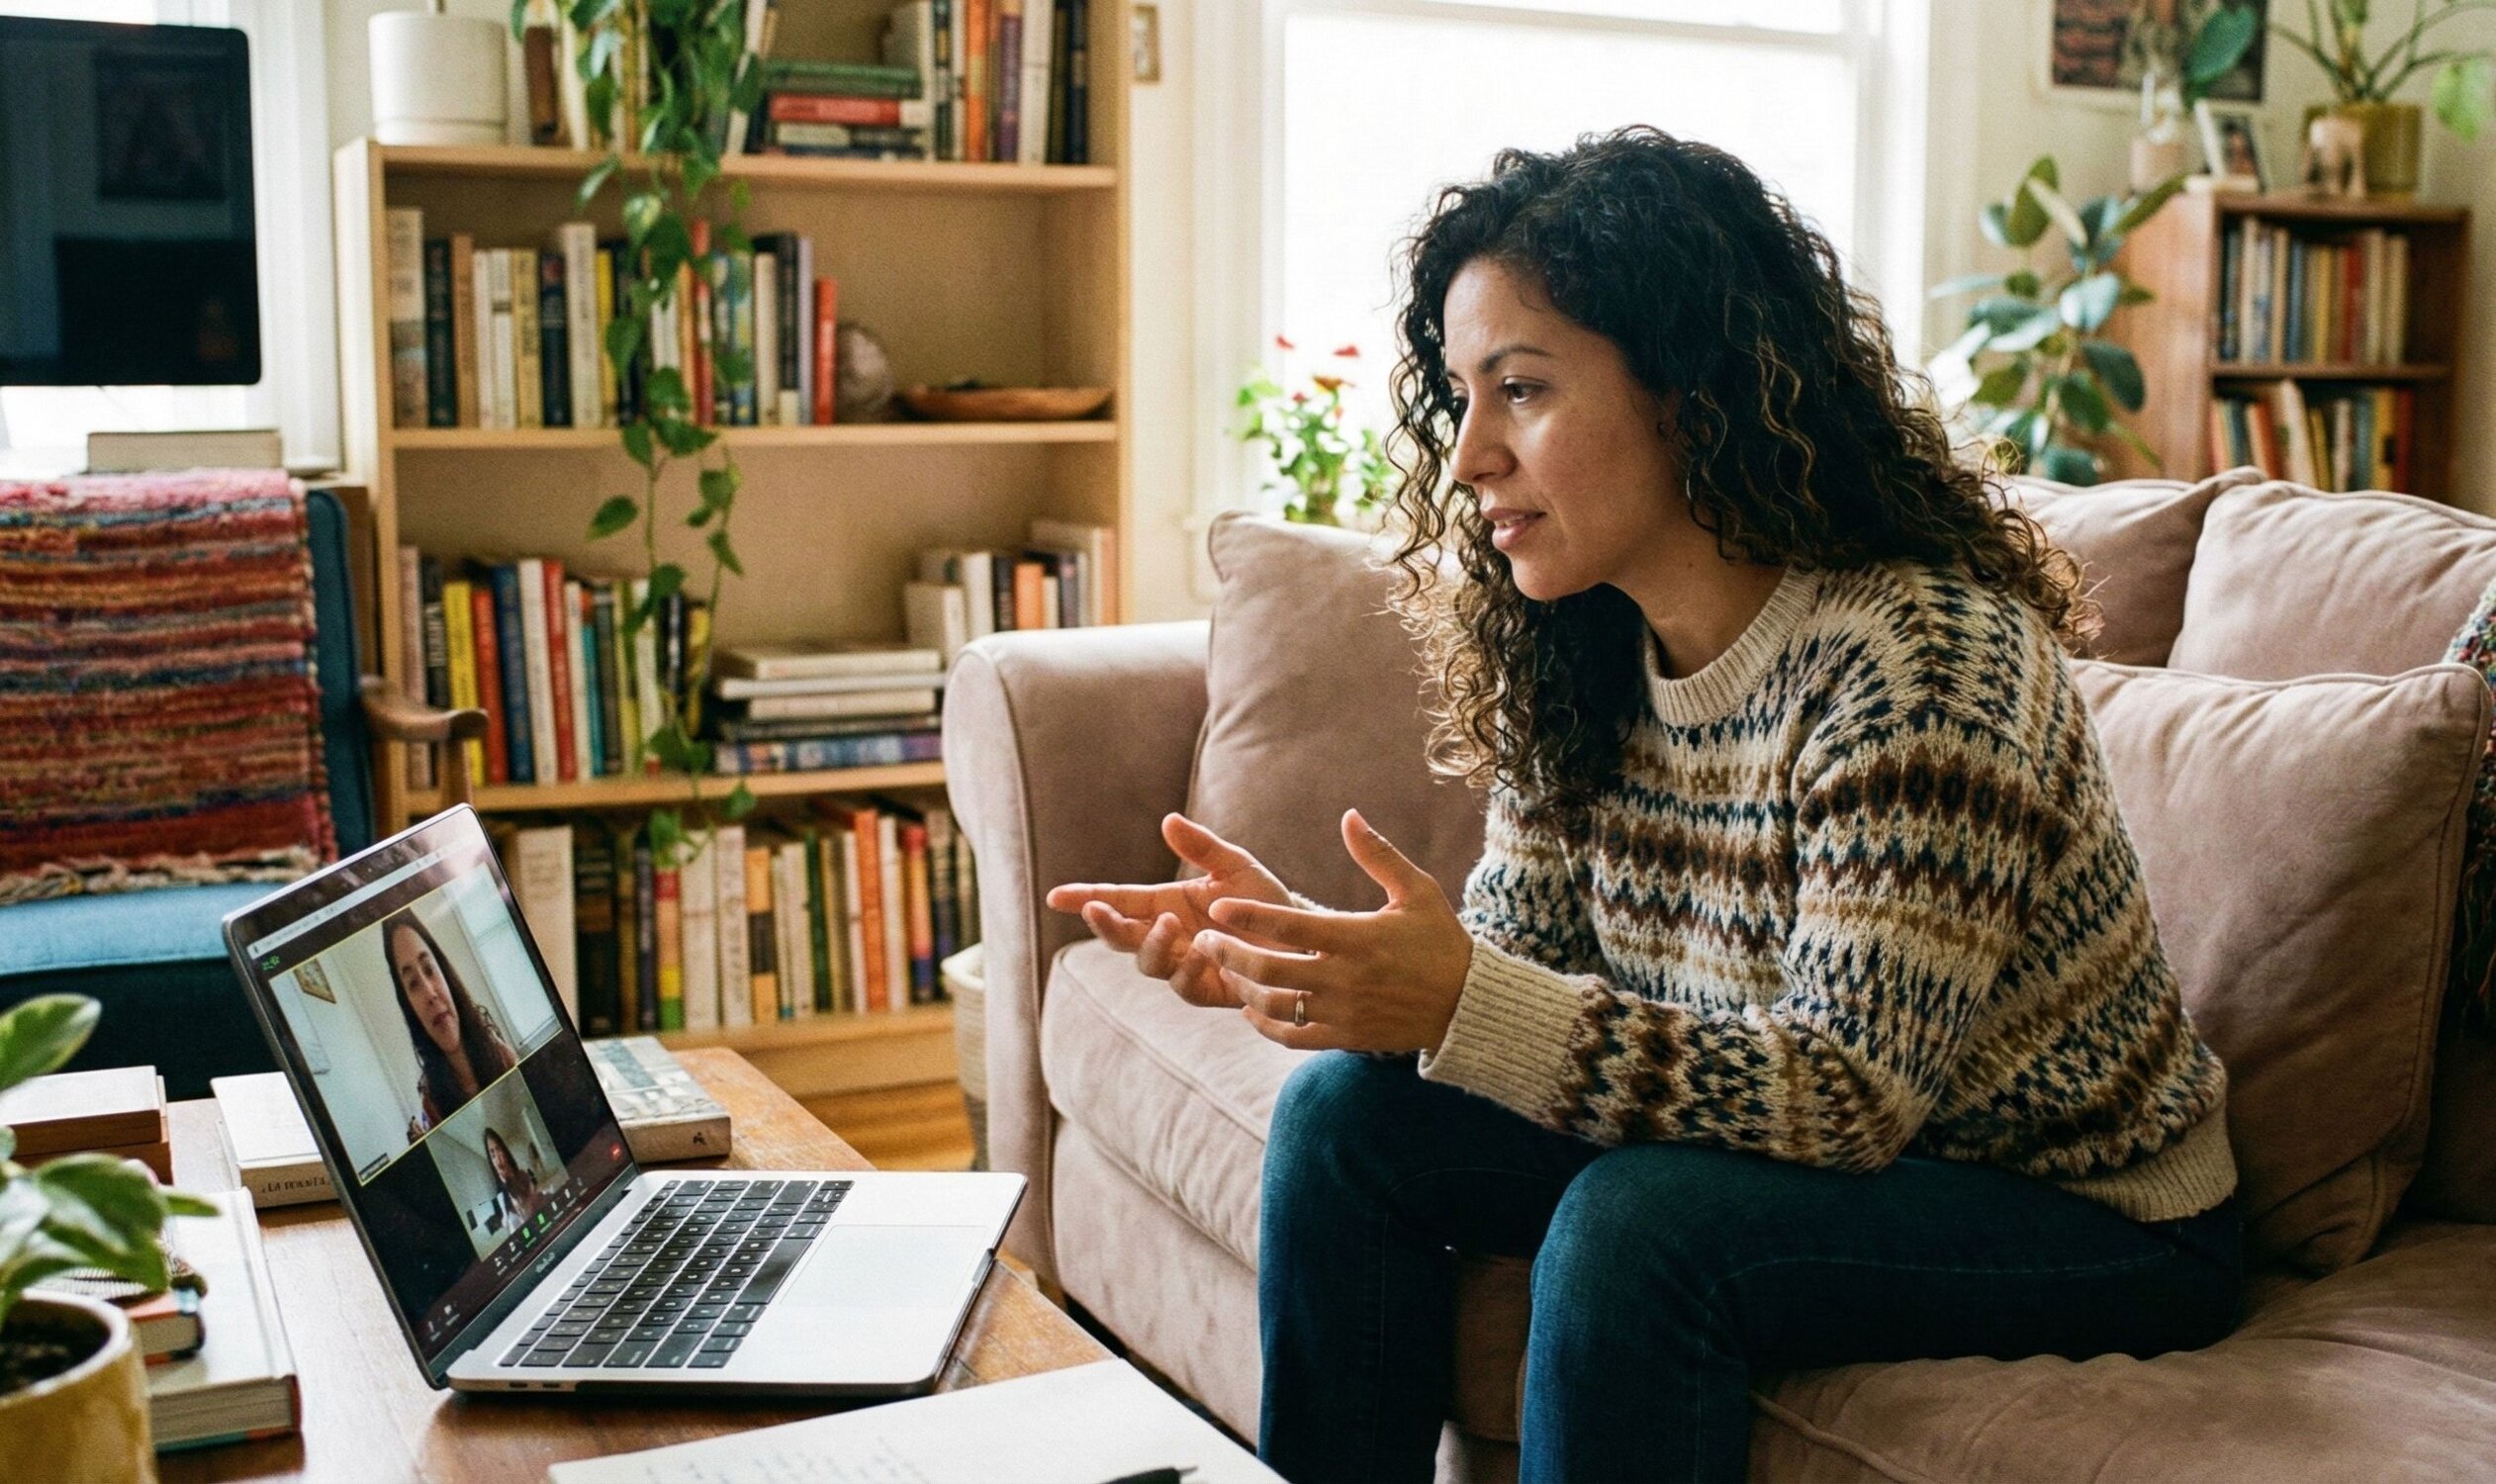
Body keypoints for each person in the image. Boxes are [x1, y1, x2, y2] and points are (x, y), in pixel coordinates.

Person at [1047, 128, 2241, 1484]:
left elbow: (1849, 1096)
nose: (1468, 457)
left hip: (2076, 1208)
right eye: (1461, 398)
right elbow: (1512, 981)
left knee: (1638, 1224)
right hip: (1795, 1145)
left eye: (1523, 390)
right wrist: (1316, 967)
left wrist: (1448, 1002)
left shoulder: (1923, 664)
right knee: (1343, 1122)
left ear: (1689, 386)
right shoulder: (1579, 653)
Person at [383, 909, 517, 1139]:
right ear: (409, 1008)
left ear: (445, 974)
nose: (429, 993)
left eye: (429, 970)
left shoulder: (502, 1056)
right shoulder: (432, 1105)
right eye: (413, 983)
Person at [481, 1125, 548, 1235]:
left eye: (498, 1149)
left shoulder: (523, 1175)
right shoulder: (501, 1197)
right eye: (492, 1154)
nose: (497, 1157)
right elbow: (510, 1225)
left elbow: (534, 1201)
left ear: (505, 1151)